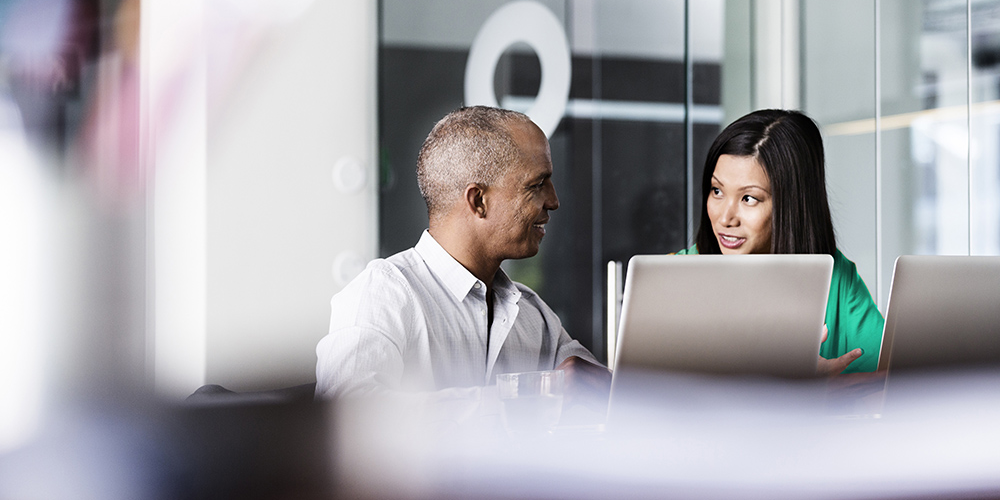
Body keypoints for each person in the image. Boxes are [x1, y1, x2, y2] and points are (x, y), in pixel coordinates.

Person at [315, 106, 610, 409]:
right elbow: (346, 418)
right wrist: (516, 400)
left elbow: (604, 394)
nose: (553, 201)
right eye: (536, 185)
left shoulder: (534, 315)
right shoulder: (383, 294)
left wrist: (601, 387)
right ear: (478, 201)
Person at [678, 109, 884, 375]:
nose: (725, 217)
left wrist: (827, 394)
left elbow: (892, 384)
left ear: (791, 206)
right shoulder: (678, 275)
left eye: (749, 198)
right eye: (717, 191)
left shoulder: (837, 278)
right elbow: (646, 395)